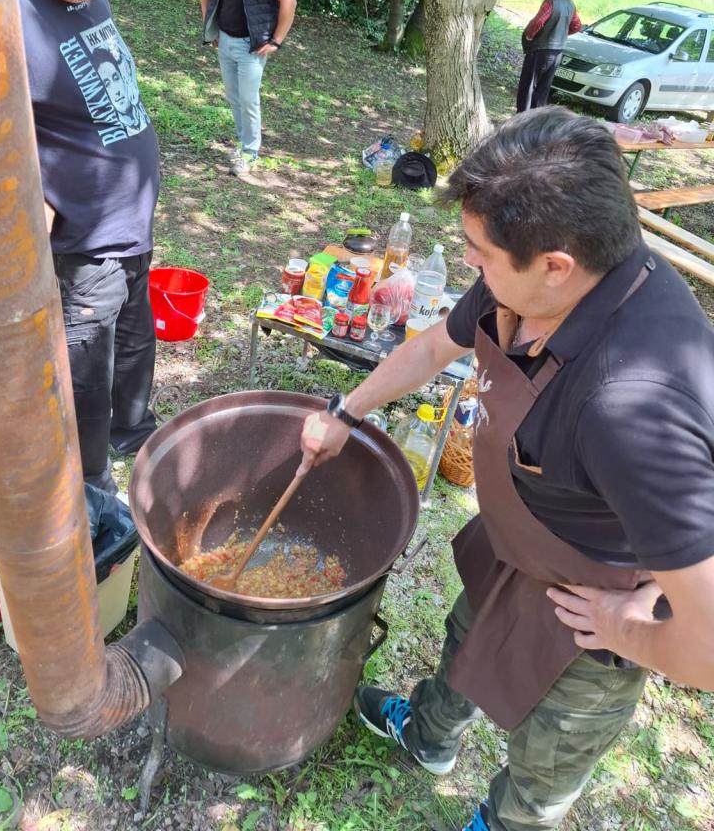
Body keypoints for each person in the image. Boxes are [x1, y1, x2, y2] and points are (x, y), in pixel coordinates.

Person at [300, 107, 714, 831]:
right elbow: (434, 347)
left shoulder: (631, 405)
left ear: (557, 264)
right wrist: (346, 411)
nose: (470, 265)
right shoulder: (528, 281)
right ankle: (428, 735)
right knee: (466, 645)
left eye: (479, 253)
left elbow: (708, 647)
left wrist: (630, 629)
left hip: (592, 604)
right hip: (518, 539)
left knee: (545, 764)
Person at [0, 0, 160, 495]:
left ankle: (138, 446)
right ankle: (92, 509)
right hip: (79, 254)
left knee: (132, 361)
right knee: (81, 399)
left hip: (128, 234)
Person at [199, 0, 297, 177]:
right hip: (224, 40)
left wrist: (276, 40)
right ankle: (243, 144)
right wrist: (209, 24)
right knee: (234, 97)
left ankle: (250, 153)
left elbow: (289, 0)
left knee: (249, 100)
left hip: (251, 45)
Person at [516, 0, 582, 112]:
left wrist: (529, 37)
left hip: (540, 51)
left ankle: (521, 119)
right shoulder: (571, 4)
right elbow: (577, 26)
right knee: (542, 90)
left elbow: (537, 22)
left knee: (528, 87)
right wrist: (561, 32)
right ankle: (536, 120)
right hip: (557, 53)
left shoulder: (550, 2)